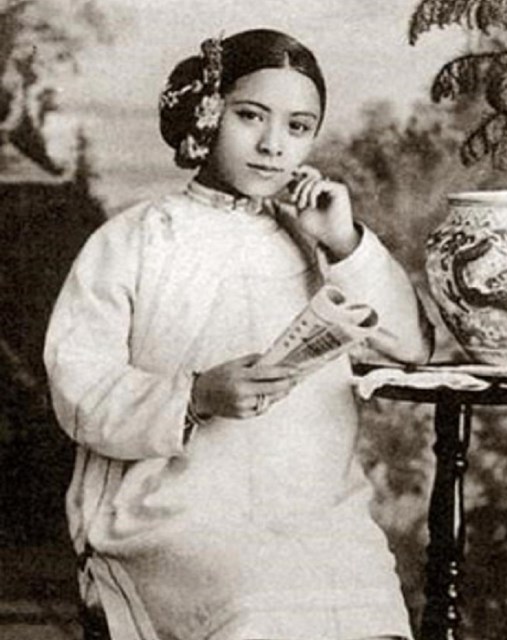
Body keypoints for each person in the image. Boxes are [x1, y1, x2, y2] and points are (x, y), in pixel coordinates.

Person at [44, 28, 433, 640]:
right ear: (206, 114)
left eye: (299, 127)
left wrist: (344, 241)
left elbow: (411, 346)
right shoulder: (135, 239)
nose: (274, 145)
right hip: (172, 514)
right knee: (256, 598)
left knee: (363, 602)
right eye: (250, 116)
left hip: (315, 514)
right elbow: (79, 389)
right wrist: (193, 396)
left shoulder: (313, 238)